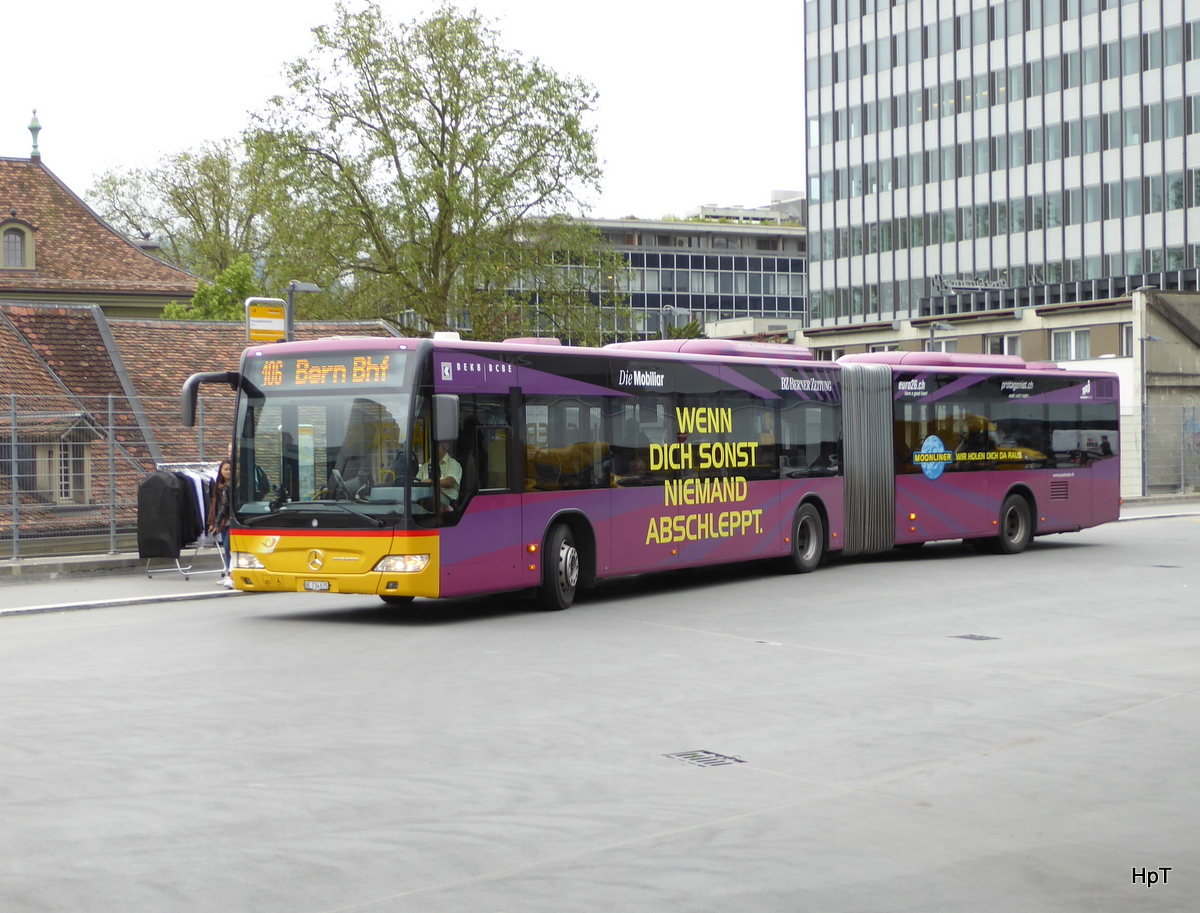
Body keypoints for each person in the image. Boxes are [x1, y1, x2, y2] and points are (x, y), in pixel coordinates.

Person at [208, 460, 234, 588]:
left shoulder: (232, 486)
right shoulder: (218, 486)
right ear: (221, 471)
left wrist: (217, 522)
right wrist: (214, 522)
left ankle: (231, 575)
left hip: (231, 521)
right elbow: (215, 506)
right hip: (223, 522)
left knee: (230, 548)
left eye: (230, 469)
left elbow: (225, 506)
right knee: (226, 548)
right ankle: (229, 574)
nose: (228, 472)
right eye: (225, 469)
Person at [418, 441, 462, 508]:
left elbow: (450, 482)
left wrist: (432, 482)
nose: (433, 447)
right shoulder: (425, 466)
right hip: (426, 503)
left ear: (446, 446)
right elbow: (416, 483)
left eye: (437, 444)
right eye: (432, 445)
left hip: (448, 504)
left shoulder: (453, 464)